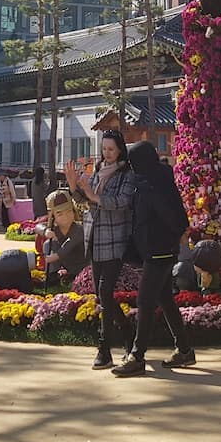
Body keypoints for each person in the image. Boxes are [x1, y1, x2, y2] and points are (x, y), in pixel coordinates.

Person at [111, 140, 196, 376]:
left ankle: (137, 356)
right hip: (158, 249)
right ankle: (185, 350)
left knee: (145, 301)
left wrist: (171, 234)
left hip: (160, 250)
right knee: (164, 299)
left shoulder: (151, 184)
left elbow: (170, 215)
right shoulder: (154, 179)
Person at [66, 128, 135, 369]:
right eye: (104, 149)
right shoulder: (97, 170)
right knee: (100, 293)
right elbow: (85, 201)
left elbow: (122, 202)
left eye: (111, 150)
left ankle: (104, 348)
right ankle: (127, 333)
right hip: (94, 237)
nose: (107, 154)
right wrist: (74, 188)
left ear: (120, 150)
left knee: (105, 292)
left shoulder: (126, 174)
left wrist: (93, 196)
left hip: (115, 239)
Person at [41, 190, 87, 287]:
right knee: (48, 244)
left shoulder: (78, 229)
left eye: (68, 212)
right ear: (53, 217)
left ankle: (76, 277)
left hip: (81, 265)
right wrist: (46, 231)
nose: (65, 217)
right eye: (60, 214)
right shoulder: (55, 229)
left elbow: (68, 246)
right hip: (67, 264)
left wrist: (54, 257)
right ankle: (52, 276)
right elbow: (38, 227)